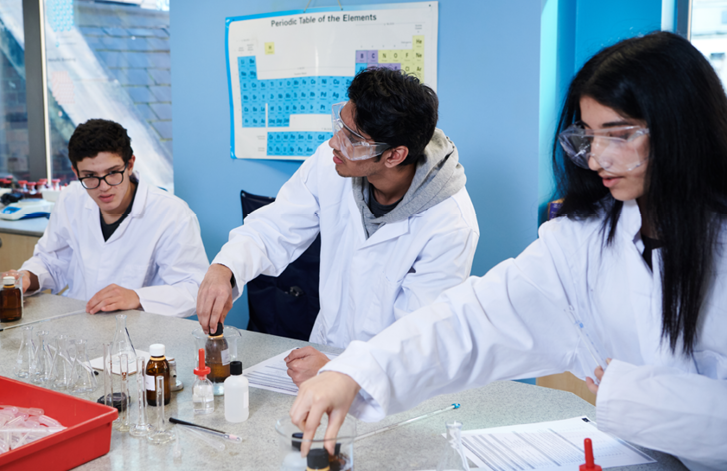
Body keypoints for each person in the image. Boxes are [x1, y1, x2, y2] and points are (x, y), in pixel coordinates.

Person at [290, 32, 727, 471]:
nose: (595, 160)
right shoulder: (584, 239)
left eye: (618, 137)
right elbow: (473, 318)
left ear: (681, 131)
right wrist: (358, 372)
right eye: (588, 137)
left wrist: (633, 395)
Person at [197, 67, 479, 385]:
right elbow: (276, 225)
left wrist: (340, 369)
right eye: (339, 125)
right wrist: (225, 268)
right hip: (321, 354)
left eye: (352, 138)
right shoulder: (333, 164)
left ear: (394, 155)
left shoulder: (450, 225)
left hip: (390, 386)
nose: (334, 142)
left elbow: (416, 341)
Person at [11, 119, 209, 318]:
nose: (103, 186)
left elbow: (194, 288)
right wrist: (27, 277)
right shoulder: (70, 199)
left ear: (130, 164)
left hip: (140, 336)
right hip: (80, 325)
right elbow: (50, 261)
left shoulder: (171, 213)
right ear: (75, 172)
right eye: (89, 175)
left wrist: (137, 297)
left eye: (113, 173)